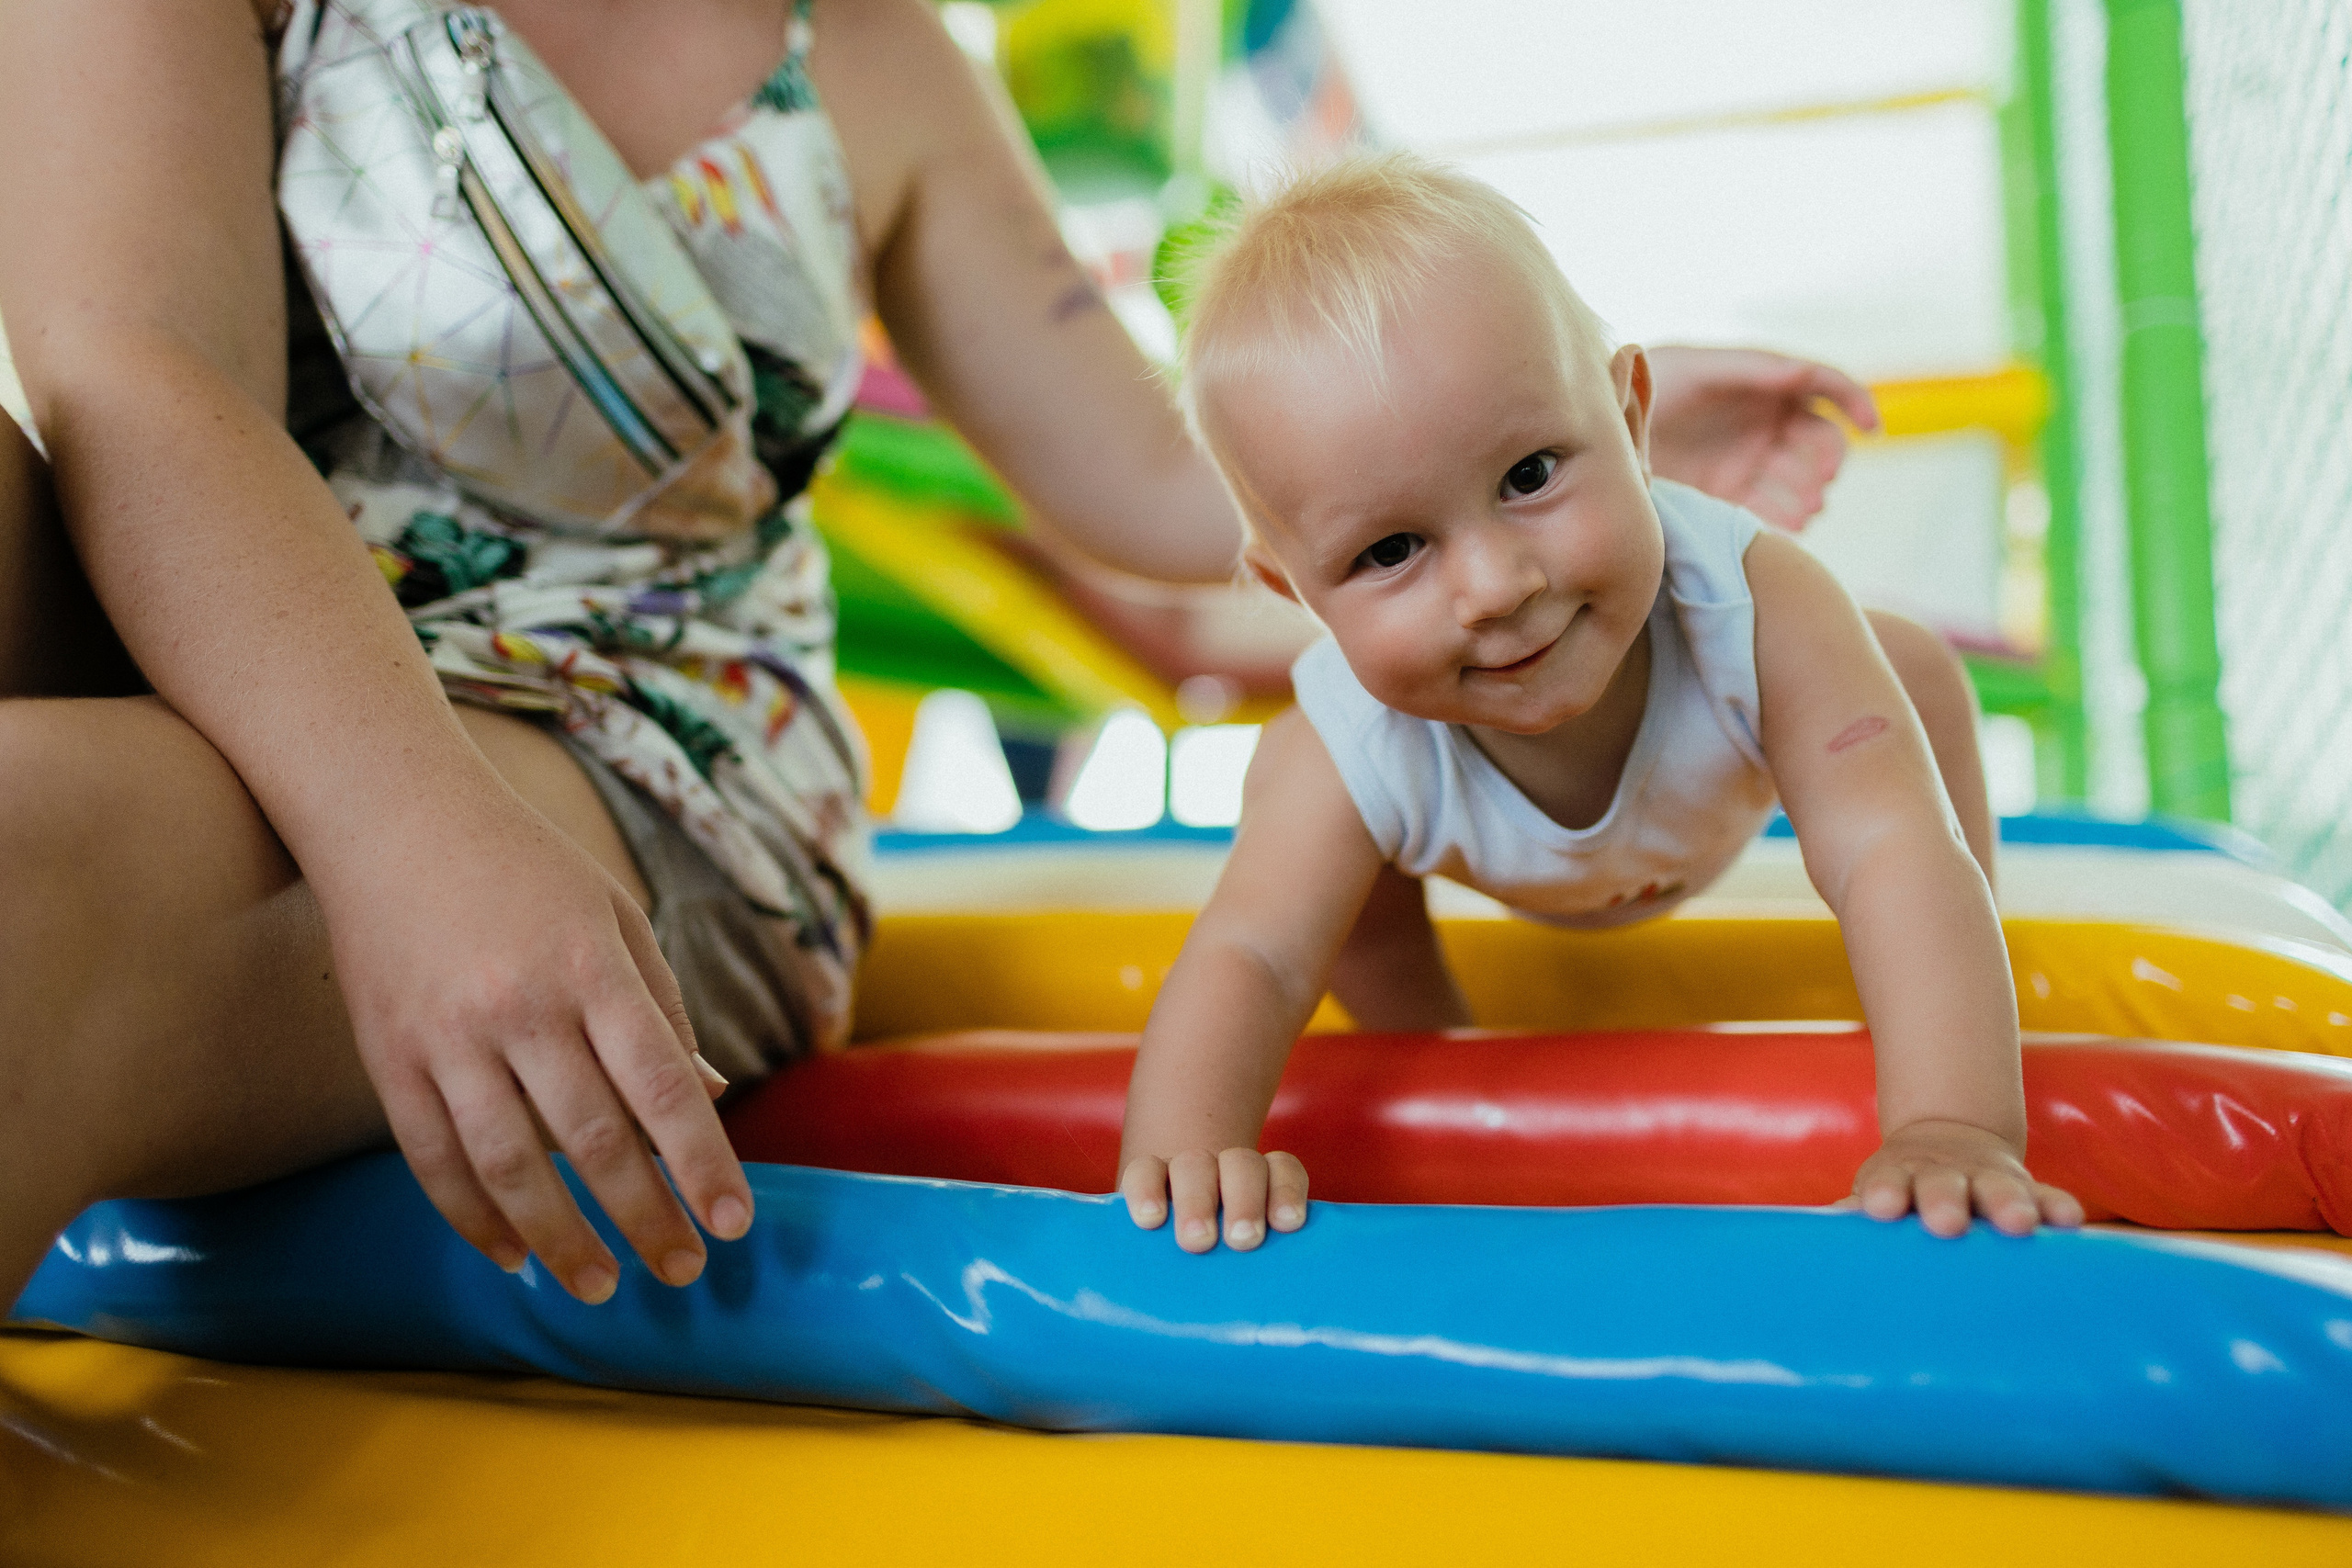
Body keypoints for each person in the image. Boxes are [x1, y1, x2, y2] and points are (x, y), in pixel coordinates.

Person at [0, 0, 1890, 1313]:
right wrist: (396, 833)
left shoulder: (864, 57)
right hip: (213, 630)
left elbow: (1159, 468)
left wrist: (1527, 451)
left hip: (630, 726)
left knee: (35, 875)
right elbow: (130, 383)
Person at [1116, 153, 2086, 1254]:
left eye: (1530, 475)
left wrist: (1950, 1122)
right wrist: (1182, 1157)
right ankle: (1446, 1048)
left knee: (1902, 673)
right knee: (1320, 880)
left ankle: (1958, 972)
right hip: (1452, 871)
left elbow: (1885, 845)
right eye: (1390, 550)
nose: (1497, 587)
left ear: (1632, 419)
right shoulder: (1341, 749)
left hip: (1747, 775)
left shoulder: (1754, 604)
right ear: (1296, 590)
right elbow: (1255, 956)